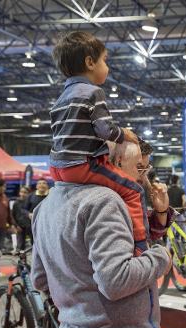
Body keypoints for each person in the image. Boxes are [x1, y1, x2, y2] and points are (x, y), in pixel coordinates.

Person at [31, 140, 171, 328]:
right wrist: (161, 258)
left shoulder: (46, 206)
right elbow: (116, 280)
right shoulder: (105, 201)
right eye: (138, 167)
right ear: (114, 164)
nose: (143, 176)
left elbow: (39, 279)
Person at [49, 31, 148, 254]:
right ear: (90, 62)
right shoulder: (93, 92)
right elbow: (105, 130)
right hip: (81, 165)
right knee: (134, 190)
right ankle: (140, 244)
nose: (108, 67)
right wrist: (124, 134)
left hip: (57, 168)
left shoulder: (60, 99)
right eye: (105, 60)